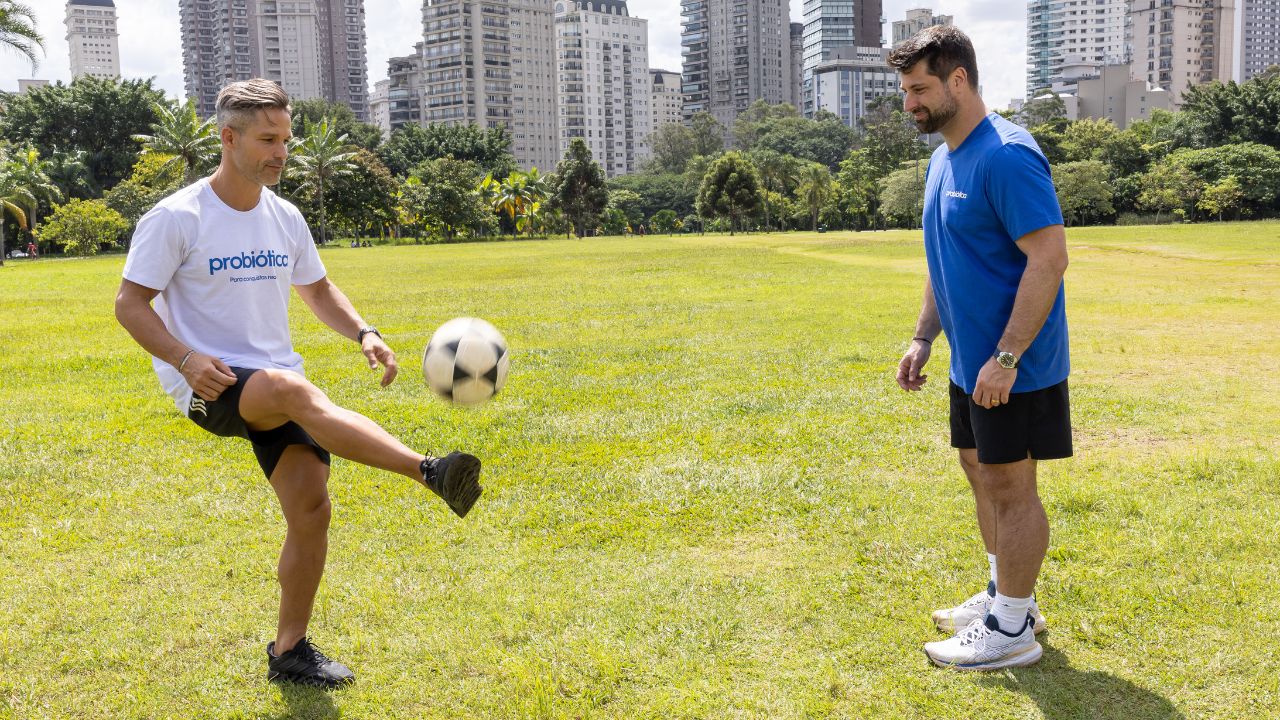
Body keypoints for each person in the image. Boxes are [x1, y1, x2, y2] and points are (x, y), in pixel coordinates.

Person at [114, 79, 484, 689]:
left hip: (276, 376)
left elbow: (315, 289)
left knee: (311, 509)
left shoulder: (284, 216)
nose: (281, 152)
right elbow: (131, 304)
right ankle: (430, 470)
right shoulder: (177, 218)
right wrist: (183, 360)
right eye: (267, 139)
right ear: (227, 138)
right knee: (292, 392)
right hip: (212, 384)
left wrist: (363, 331)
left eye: (286, 139)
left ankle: (290, 652)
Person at [888, 26, 1072, 671]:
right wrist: (922, 336)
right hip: (972, 363)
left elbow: (1049, 258)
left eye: (918, 90)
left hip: (1013, 366)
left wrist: (1007, 356)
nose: (908, 103)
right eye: (905, 91)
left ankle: (1013, 629)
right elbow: (947, 262)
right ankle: (1004, 596)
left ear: (958, 80)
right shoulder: (944, 156)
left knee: (1011, 485)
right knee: (980, 473)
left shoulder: (1007, 155)